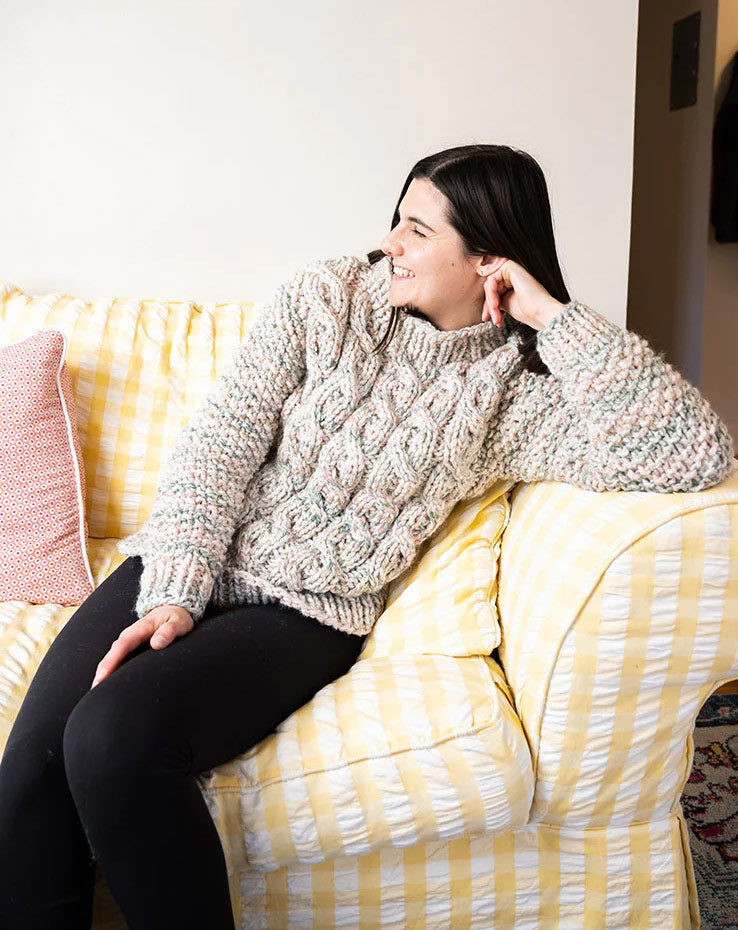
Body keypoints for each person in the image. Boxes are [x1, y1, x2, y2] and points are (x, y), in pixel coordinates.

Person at [0, 144, 733, 930]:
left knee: (109, 739)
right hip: (184, 556)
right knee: (29, 773)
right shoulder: (326, 297)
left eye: (417, 230)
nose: (389, 243)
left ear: (488, 259)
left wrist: (552, 315)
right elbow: (218, 443)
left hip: (307, 613)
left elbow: (691, 452)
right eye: (397, 219)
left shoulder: (512, 398)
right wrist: (177, 590)